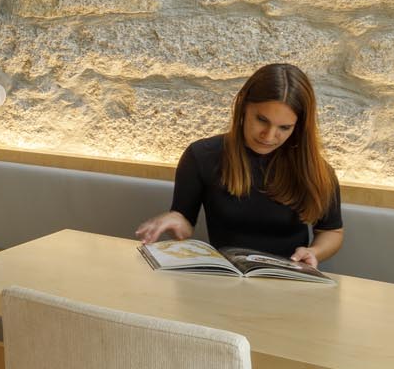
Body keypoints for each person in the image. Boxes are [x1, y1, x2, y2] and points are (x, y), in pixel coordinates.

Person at [135, 63, 344, 269]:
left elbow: (331, 232)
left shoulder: (316, 170)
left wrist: (314, 252)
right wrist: (175, 219)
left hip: (288, 281)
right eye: (262, 120)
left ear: (298, 127)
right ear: (244, 107)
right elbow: (185, 224)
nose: (269, 136)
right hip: (225, 277)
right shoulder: (202, 156)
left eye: (284, 127)